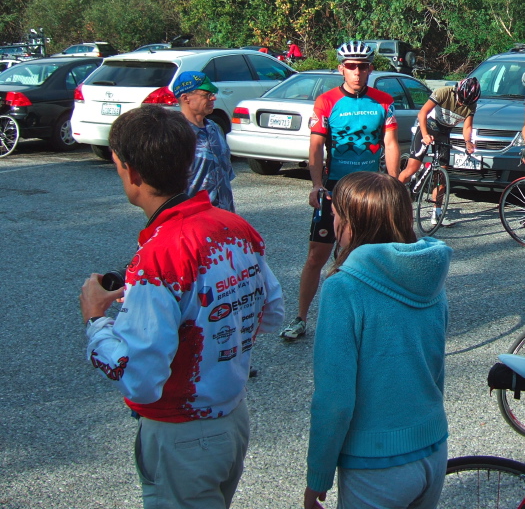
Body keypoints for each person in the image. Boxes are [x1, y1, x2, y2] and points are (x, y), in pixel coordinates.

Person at [82, 106, 283, 508]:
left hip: (181, 434)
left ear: (130, 171)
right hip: (231, 420)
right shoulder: (232, 225)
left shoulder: (157, 257)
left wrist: (94, 321)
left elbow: (141, 378)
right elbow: (272, 311)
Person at [303, 172, 450, 509]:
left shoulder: (344, 287)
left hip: (375, 464)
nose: (333, 221)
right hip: (433, 446)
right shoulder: (431, 276)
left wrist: (318, 476)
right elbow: (435, 365)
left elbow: (334, 399)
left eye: (336, 214)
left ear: (352, 225)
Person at [287, 43, 402, 341]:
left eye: (363, 66)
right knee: (317, 255)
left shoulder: (384, 101)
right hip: (335, 188)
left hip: (368, 190)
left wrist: (394, 183)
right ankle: (300, 318)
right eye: (351, 66)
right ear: (340, 68)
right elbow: (315, 146)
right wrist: (315, 185)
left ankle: (372, 317)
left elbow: (390, 144)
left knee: (371, 254)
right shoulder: (326, 101)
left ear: (371, 69)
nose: (357, 72)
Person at [166, 72, 235, 211]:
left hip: (223, 219)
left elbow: (225, 175)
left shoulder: (215, 129)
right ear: (186, 98)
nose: (213, 97)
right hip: (192, 220)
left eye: (213, 94)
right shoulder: (173, 135)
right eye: (207, 94)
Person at [413, 79, 480, 213]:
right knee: (411, 168)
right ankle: (395, 194)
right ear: (457, 91)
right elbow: (422, 113)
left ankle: (437, 212)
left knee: (442, 175)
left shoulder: (471, 104)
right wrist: (425, 135)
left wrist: (468, 142)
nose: (462, 104)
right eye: (461, 100)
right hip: (428, 127)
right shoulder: (443, 93)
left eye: (466, 103)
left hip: (444, 133)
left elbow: (467, 127)